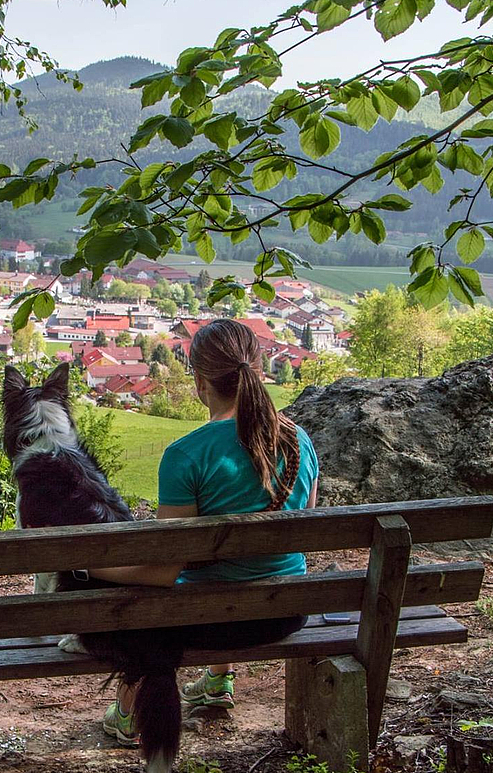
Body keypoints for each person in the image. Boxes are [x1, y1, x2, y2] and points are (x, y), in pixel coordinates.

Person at [89, 318, 320, 745]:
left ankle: (125, 715)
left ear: (199, 380)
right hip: (286, 611)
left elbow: (160, 570)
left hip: (206, 621)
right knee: (230, 571)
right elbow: (297, 530)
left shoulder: (185, 456)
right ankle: (217, 683)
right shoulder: (299, 440)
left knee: (152, 598)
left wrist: (92, 569)